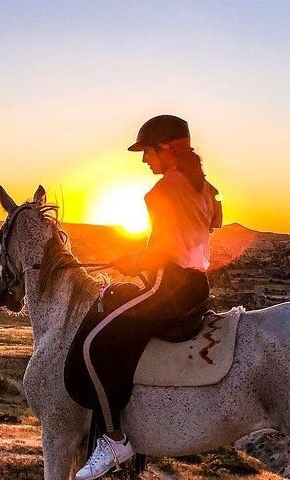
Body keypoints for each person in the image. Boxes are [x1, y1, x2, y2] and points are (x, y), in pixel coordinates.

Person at [76, 115, 222, 480]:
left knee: (95, 344)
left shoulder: (161, 192)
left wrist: (134, 260)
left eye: (148, 152)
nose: (144, 161)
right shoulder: (205, 186)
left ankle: (114, 439)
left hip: (168, 287)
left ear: (168, 148)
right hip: (197, 286)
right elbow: (210, 224)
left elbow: (162, 251)